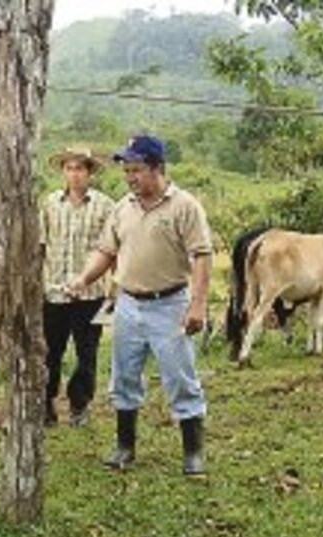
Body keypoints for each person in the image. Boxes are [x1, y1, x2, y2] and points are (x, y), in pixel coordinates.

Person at [67, 134, 212, 476]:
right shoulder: (123, 207)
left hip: (170, 304)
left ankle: (193, 452)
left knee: (180, 378)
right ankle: (124, 446)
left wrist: (198, 305)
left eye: (137, 170)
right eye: (127, 171)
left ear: (157, 168)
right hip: (129, 304)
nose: (130, 177)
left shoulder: (184, 206)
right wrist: (84, 279)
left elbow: (202, 256)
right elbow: (106, 251)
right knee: (124, 376)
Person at [40, 145, 115, 427]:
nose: (74, 174)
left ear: (90, 172)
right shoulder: (49, 204)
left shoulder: (106, 206)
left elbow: (112, 250)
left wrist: (112, 289)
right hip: (54, 292)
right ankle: (46, 404)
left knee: (86, 353)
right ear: (63, 172)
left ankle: (79, 405)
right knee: (50, 352)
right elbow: (40, 247)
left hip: (91, 294)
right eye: (69, 168)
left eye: (80, 168)